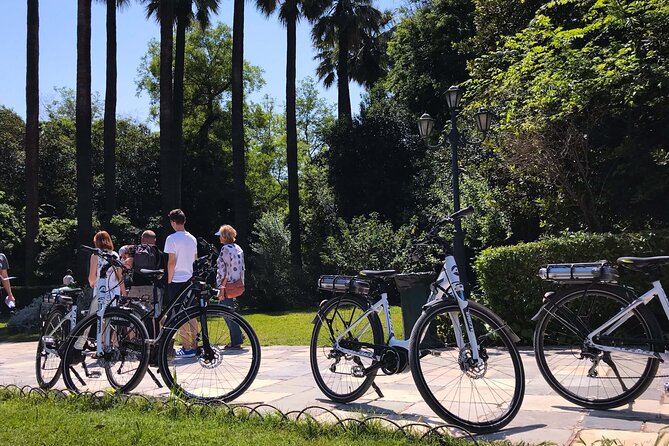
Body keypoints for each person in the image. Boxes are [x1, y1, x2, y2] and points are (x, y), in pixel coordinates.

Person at [74, 230, 125, 352]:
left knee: (97, 318)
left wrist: (92, 283)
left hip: (101, 290)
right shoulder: (115, 255)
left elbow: (92, 276)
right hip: (114, 291)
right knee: (112, 318)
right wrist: (123, 291)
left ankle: (97, 346)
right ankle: (115, 345)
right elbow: (120, 276)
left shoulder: (95, 255)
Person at [164, 209, 198, 357]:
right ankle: (195, 345)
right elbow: (195, 260)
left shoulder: (171, 239)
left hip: (177, 279)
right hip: (191, 279)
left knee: (179, 315)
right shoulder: (192, 238)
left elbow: (171, 262)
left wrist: (169, 280)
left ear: (173, 222)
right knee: (192, 314)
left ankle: (186, 347)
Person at [215, 224, 245, 349]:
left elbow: (225, 270)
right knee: (228, 309)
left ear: (224, 236)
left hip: (227, 284)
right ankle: (237, 335)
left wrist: (221, 287)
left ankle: (237, 338)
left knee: (225, 310)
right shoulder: (237, 248)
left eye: (220, 235)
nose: (219, 238)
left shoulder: (225, 249)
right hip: (237, 283)